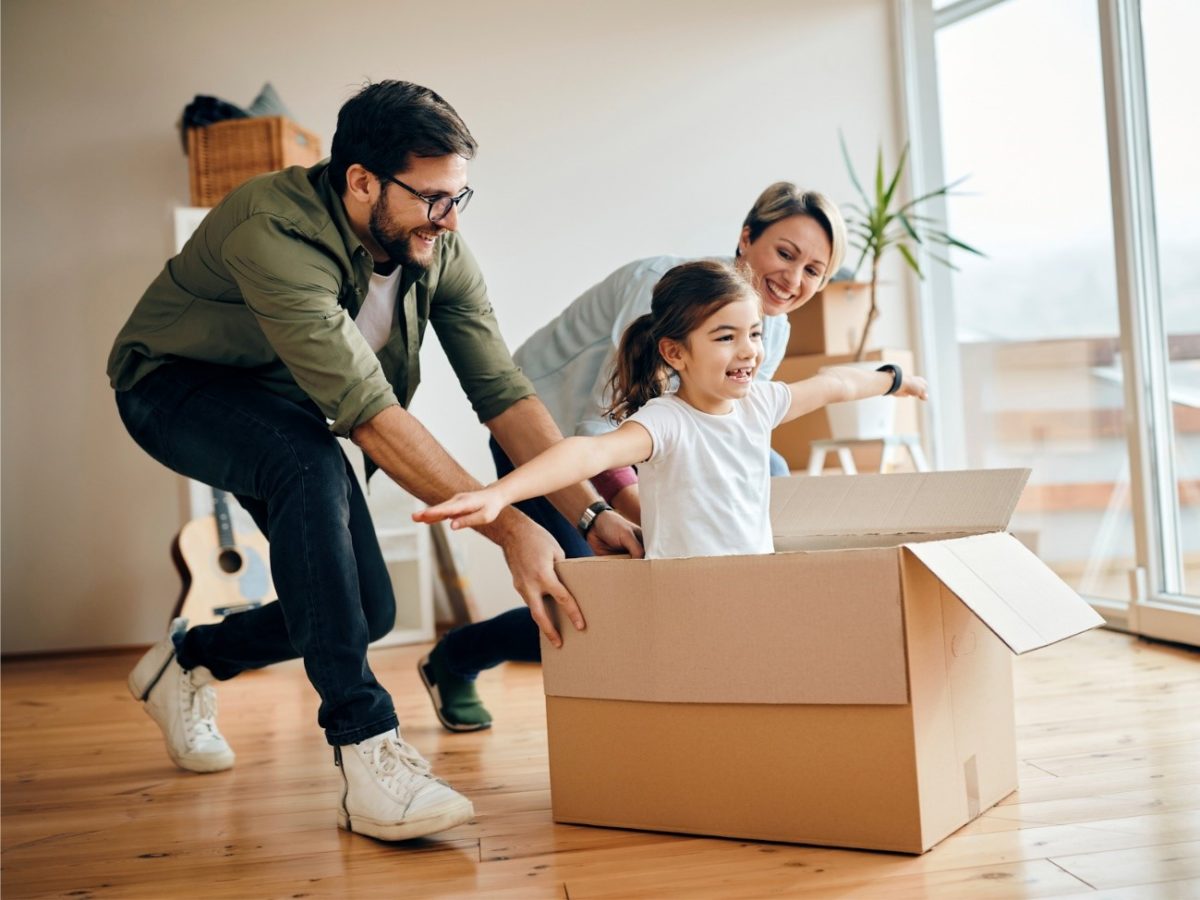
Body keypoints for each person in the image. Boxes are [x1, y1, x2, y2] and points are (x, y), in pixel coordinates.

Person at [107, 80, 641, 843]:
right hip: (170, 385)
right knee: (306, 460)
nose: (450, 220)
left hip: (285, 407)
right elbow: (367, 415)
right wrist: (510, 527)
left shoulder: (436, 246)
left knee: (367, 610)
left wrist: (589, 509)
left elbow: (504, 393)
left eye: (460, 197)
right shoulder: (272, 229)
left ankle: (189, 660)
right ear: (361, 181)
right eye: (433, 198)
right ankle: (367, 755)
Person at [416, 185, 847, 730]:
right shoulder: (660, 290)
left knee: (773, 476)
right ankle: (456, 658)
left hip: (637, 443)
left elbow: (729, 428)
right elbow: (606, 423)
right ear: (746, 238)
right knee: (588, 603)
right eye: (785, 254)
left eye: (815, 270)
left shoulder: (772, 327)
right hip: (547, 436)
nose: (794, 280)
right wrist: (635, 509)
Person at [415, 260, 928, 558]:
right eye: (726, 337)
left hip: (752, 584)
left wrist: (893, 380)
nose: (748, 349)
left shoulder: (761, 403)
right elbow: (583, 455)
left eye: (754, 333)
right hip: (685, 594)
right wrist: (499, 494)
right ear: (675, 352)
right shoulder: (665, 421)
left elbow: (833, 384)